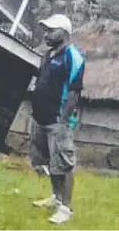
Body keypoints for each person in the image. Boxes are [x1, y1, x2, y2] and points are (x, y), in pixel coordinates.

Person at [29, 13, 85, 224]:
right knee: (47, 162)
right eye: (45, 30)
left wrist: (63, 121)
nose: (47, 34)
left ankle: (66, 208)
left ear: (64, 33)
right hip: (40, 117)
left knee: (64, 163)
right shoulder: (47, 55)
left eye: (51, 30)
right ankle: (56, 197)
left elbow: (74, 92)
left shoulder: (73, 56)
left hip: (58, 120)